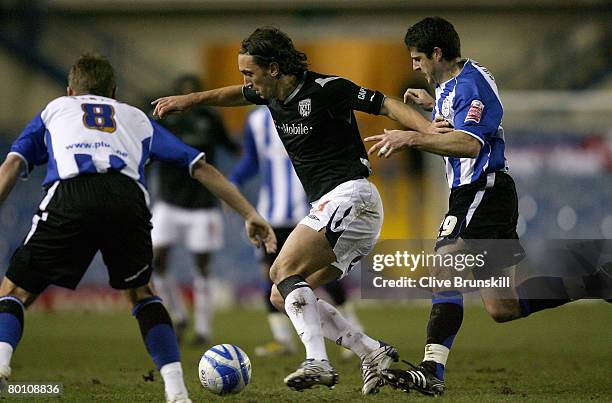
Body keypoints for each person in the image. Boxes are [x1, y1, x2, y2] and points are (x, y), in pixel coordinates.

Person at [153, 26, 448, 394]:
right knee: (283, 293)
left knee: (281, 270)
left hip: (352, 195)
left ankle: (318, 361)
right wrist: (191, 99)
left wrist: (430, 134)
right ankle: (371, 351)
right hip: (346, 210)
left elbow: (386, 103)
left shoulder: (326, 89)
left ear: (274, 68)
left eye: (250, 73)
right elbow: (234, 95)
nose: (246, 82)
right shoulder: (269, 94)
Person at [0, 54, 275, 403]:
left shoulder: (55, 109)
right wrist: (249, 212)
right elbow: (199, 165)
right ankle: (176, 392)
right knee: (143, 294)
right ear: (114, 92)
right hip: (127, 197)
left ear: (71, 91)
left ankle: (1, 364)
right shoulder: (135, 118)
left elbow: (13, 164)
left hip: (72, 193)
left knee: (15, 291)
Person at [365, 16, 610, 396]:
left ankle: (432, 369)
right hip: (485, 194)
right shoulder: (456, 81)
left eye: (417, 59)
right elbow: (461, 115)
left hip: (482, 191)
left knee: (443, 267)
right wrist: (433, 105)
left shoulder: (471, 85)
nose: (415, 67)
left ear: (436, 53)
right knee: (502, 306)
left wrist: (411, 138)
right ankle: (599, 275)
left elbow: (470, 144)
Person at [229, 106, 364, 358]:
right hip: (271, 214)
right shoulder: (256, 120)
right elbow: (252, 159)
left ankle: (353, 328)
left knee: (323, 272)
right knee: (271, 275)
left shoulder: (307, 109)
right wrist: (233, 182)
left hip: (308, 208)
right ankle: (282, 339)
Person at [149, 74, 239, 346]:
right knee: (156, 261)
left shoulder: (210, 119)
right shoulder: (162, 120)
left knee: (202, 266)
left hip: (202, 205)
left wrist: (233, 185)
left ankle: (202, 329)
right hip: (168, 201)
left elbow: (230, 147)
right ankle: (178, 314)